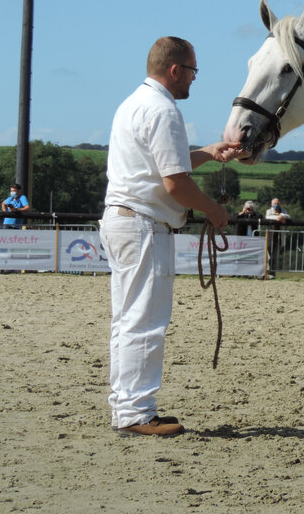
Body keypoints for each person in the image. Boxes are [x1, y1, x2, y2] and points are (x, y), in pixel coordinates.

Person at [99, 36, 240, 437]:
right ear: (175, 69)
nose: (195, 79)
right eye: (193, 70)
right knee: (146, 321)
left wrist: (209, 152)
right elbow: (175, 183)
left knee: (128, 320)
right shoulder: (164, 110)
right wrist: (213, 210)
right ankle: (137, 413)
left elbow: (164, 164)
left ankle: (126, 406)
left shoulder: (134, 104)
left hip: (124, 219)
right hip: (145, 224)